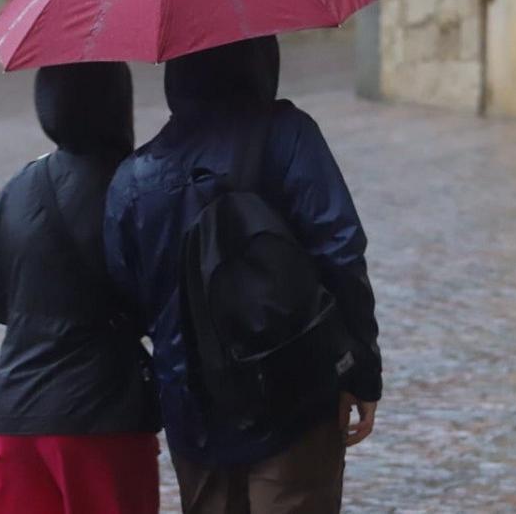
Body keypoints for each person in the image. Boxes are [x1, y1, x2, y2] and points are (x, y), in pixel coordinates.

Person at [104, 36, 382, 514]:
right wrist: (361, 368)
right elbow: (340, 249)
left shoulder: (133, 179)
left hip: (192, 403)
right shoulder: (289, 134)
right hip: (298, 389)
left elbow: (128, 296)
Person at [0, 61, 161, 514]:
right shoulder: (135, 187)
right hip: (103, 415)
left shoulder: (17, 188)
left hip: (16, 415)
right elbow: (156, 299)